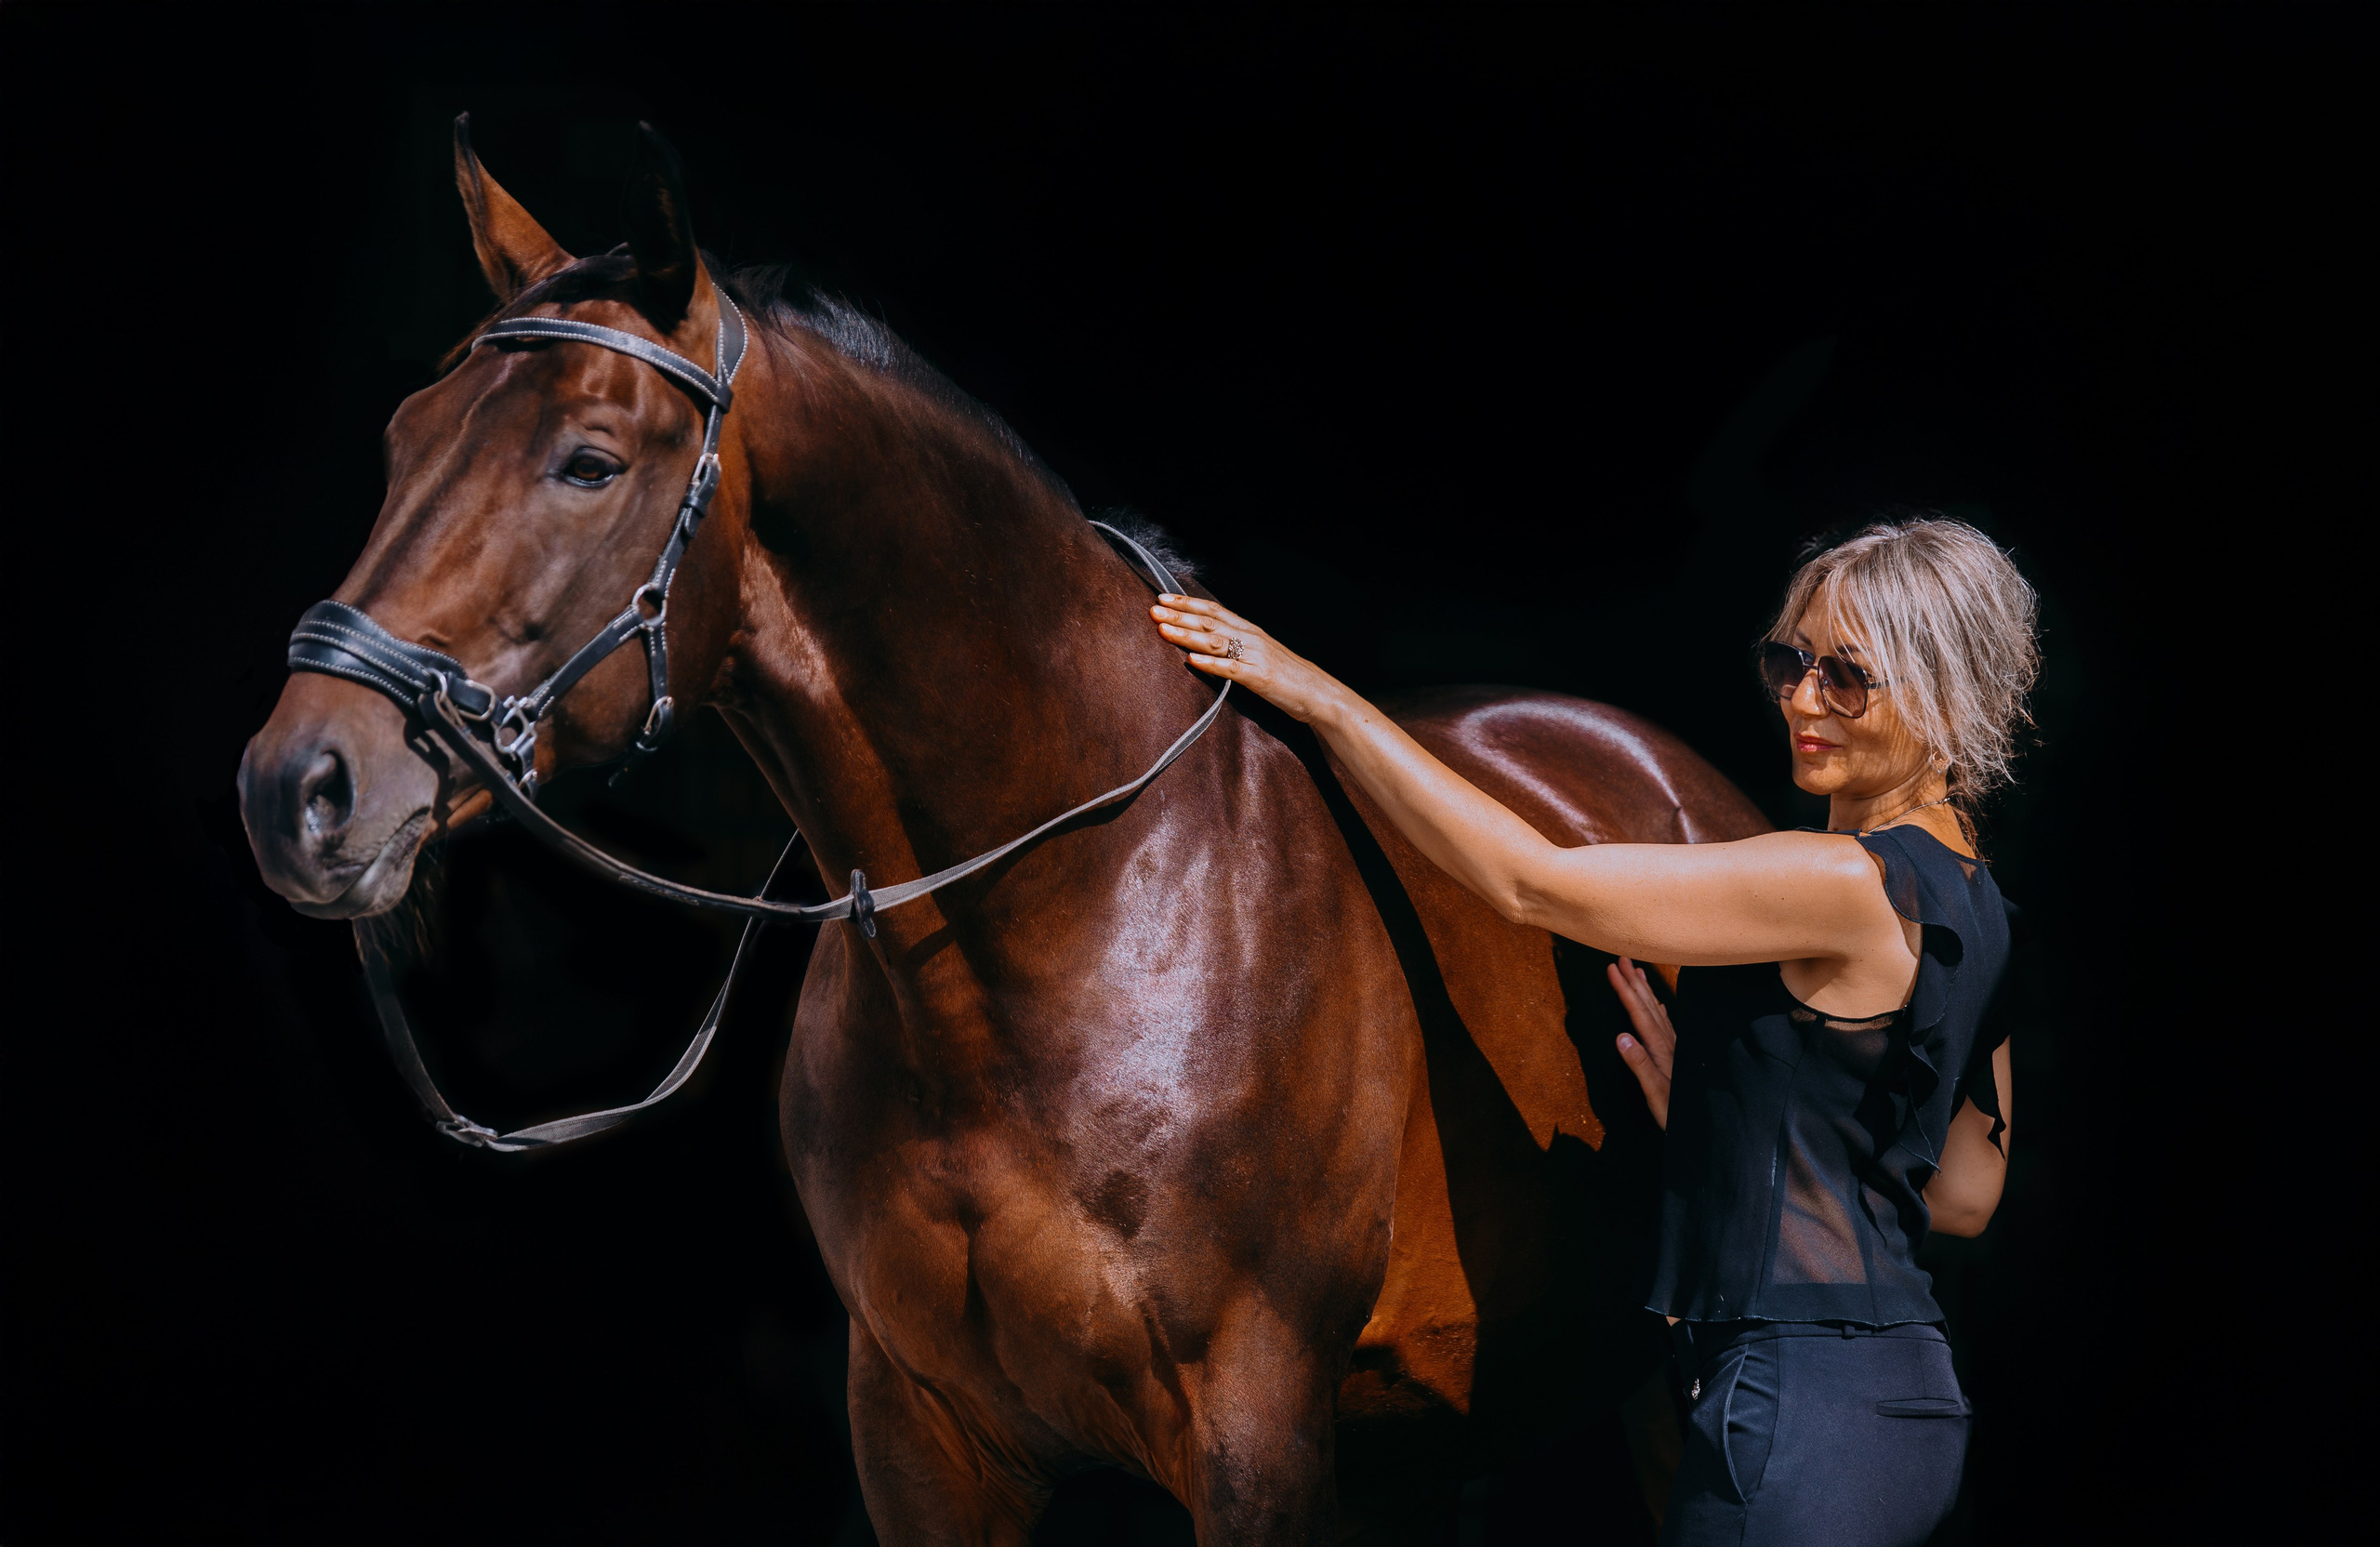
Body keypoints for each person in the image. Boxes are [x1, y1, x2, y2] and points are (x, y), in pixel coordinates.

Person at [1149, 517, 2038, 1546]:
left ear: (1942, 690)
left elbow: (1532, 883)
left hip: (1793, 1419)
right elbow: (1967, 1194)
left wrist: (1313, 690)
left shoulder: (1839, 877)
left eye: (1847, 676)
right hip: (1902, 1414)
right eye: (1788, 660)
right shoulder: (1983, 910)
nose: (1801, 698)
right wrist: (1738, 1109)